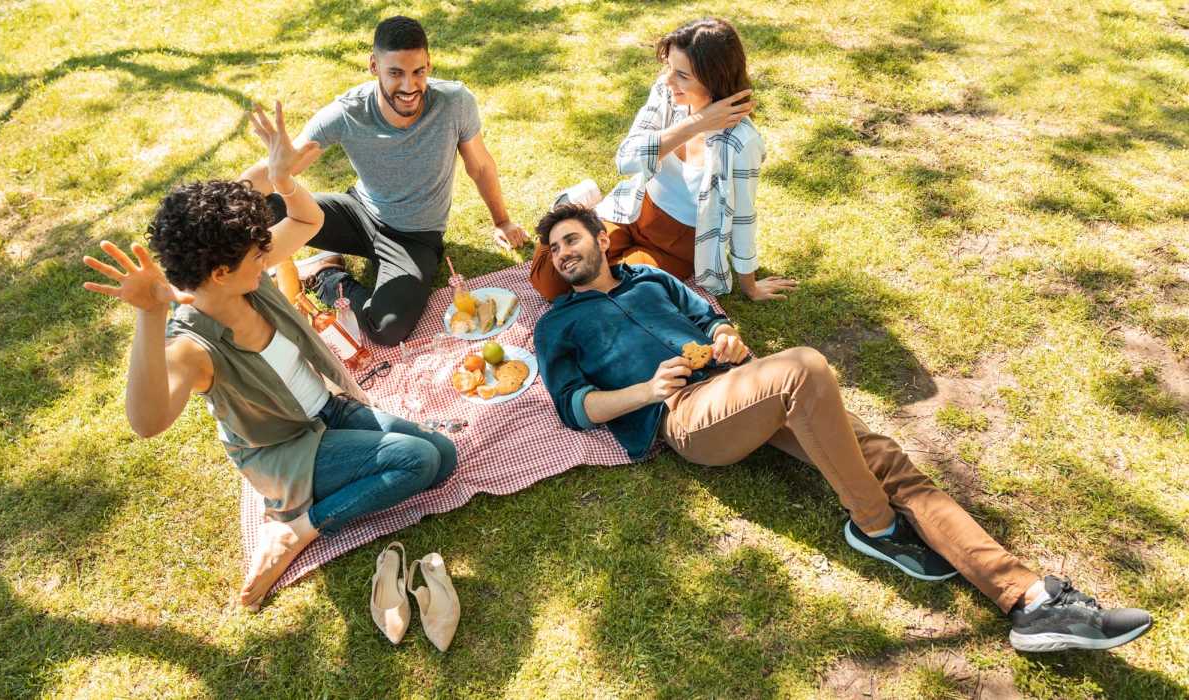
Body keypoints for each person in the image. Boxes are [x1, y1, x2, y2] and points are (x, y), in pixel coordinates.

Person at [531, 204, 1153, 652]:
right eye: (555, 251)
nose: (564, 255)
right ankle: (876, 526)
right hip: (686, 419)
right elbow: (575, 407)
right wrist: (646, 391)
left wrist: (723, 336)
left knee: (886, 458)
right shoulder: (557, 325)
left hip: (742, 385)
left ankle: (1029, 600)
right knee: (802, 367)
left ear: (599, 238)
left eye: (570, 239)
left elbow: (713, 318)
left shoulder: (650, 277)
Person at [82, 102, 457, 611]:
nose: (269, 259)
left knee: (443, 457)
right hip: (286, 450)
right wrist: (148, 315)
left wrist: (281, 179)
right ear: (218, 272)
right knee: (414, 460)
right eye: (257, 255)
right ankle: (297, 527)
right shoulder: (192, 345)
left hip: (329, 409)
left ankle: (315, 501)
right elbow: (146, 422)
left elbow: (307, 217)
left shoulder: (243, 277)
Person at [239, 16, 528, 346]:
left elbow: (480, 166)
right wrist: (215, 205)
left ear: (429, 63)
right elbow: (279, 168)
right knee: (255, 206)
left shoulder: (454, 104)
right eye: (396, 73)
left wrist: (502, 221)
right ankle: (295, 265)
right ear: (374, 65)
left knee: (387, 328)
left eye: (418, 71)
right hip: (359, 213)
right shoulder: (348, 112)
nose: (409, 87)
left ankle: (327, 276)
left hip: (415, 238)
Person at [530, 18, 797, 302]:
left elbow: (743, 217)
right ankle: (569, 207)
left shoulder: (741, 141)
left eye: (682, 74)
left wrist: (750, 285)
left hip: (676, 244)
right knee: (549, 281)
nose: (669, 80)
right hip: (633, 208)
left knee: (611, 294)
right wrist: (696, 123)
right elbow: (626, 158)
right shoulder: (667, 92)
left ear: (713, 78)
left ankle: (576, 216)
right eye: (669, 67)